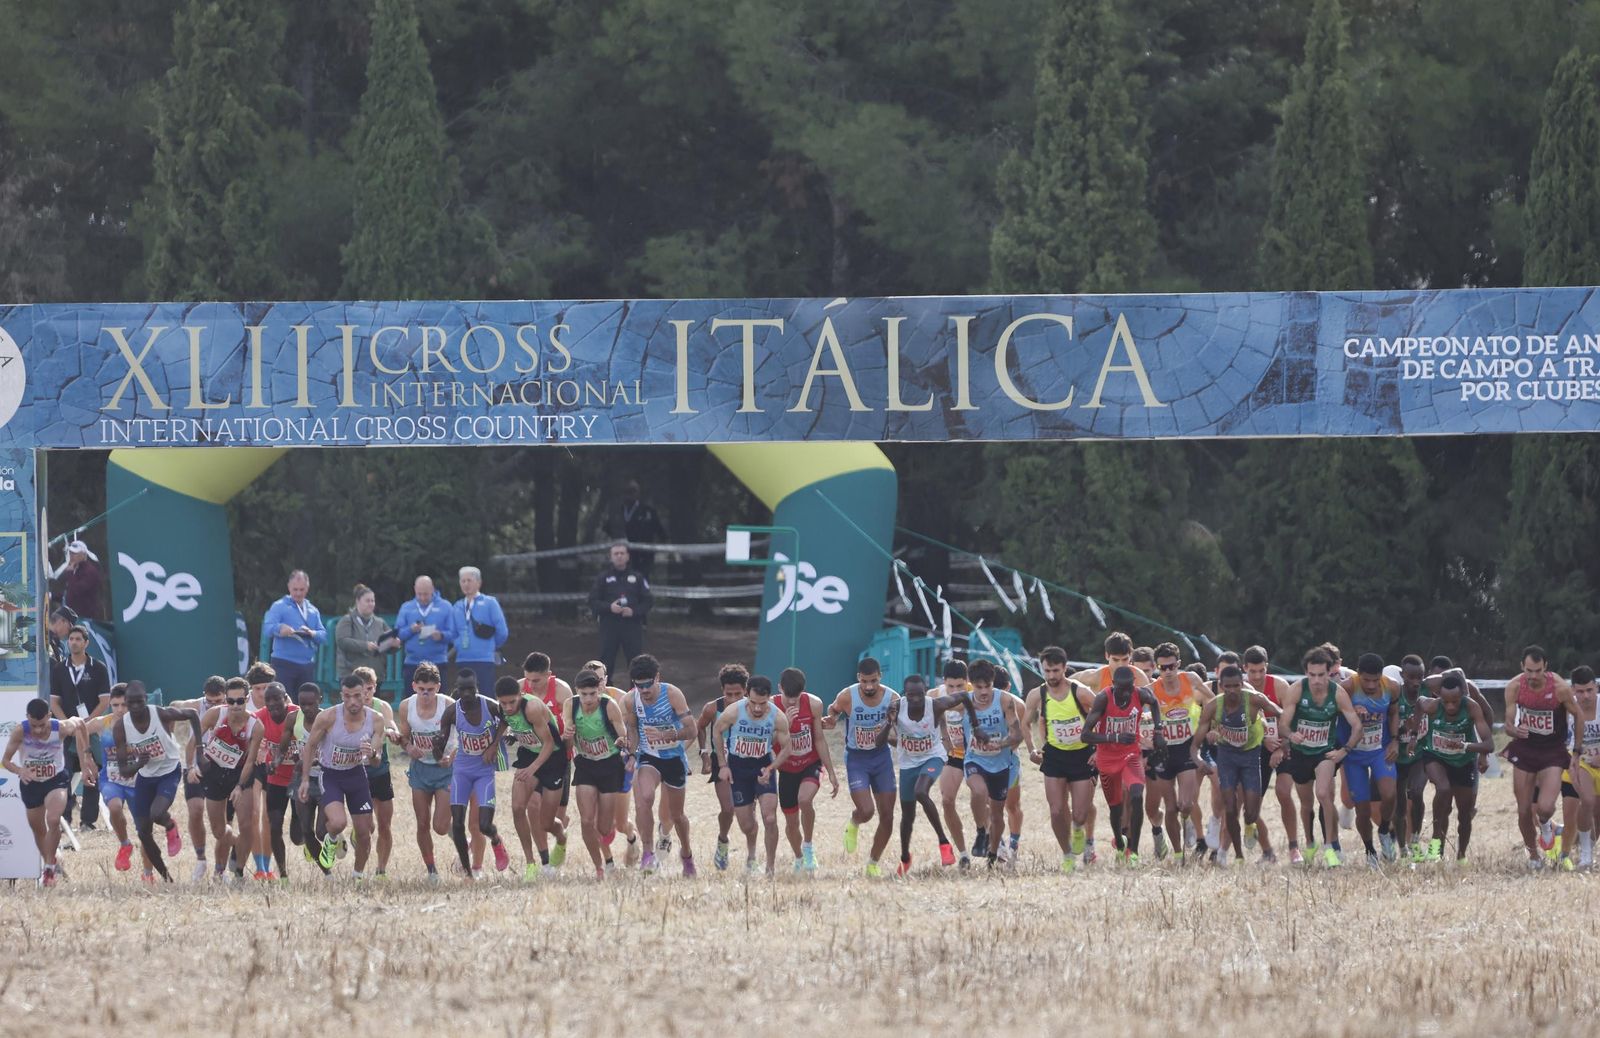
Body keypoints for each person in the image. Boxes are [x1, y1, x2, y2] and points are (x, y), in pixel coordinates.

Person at [1501, 645, 1586, 869]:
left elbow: (1578, 716)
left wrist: (1576, 751)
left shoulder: (1558, 687)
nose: (1533, 676)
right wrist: (1514, 730)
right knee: (1523, 810)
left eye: (1538, 670)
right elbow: (1508, 724)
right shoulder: (1514, 687)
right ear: (1522, 667)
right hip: (1526, 749)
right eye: (1529, 670)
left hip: (1552, 751)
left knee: (1545, 808)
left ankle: (1547, 824)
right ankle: (1533, 857)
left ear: (1545, 667)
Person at [1278, 649, 1363, 866]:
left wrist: (1344, 750)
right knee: (1306, 804)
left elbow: (1357, 726)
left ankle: (1331, 846)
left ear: (1329, 673)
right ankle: (1309, 843)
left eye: (1321, 675)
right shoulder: (1296, 690)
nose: (1316, 680)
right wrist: (1291, 734)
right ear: (1306, 673)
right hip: (1300, 753)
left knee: (1324, 794)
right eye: (1312, 675)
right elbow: (1283, 724)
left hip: (1324, 753)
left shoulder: (1337, 693)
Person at [1193, 665, 1282, 866]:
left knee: (1251, 811)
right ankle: (1237, 854)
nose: (1232, 690)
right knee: (1230, 807)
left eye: (1236, 686)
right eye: (1228, 687)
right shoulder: (1214, 706)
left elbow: (1281, 715)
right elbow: (1195, 744)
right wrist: (1198, 760)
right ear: (1221, 687)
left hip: (1251, 757)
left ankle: (1250, 827)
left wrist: (1283, 743)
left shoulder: (1254, 699)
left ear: (1242, 684)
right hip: (1227, 758)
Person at [110, 681, 199, 883]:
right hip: (146, 776)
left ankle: (169, 825)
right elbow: (124, 771)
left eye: (139, 702)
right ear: (126, 702)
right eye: (130, 703)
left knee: (157, 813)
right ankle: (165, 877)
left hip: (169, 771)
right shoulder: (121, 727)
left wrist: (199, 748)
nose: (135, 707)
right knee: (143, 832)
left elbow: (192, 715)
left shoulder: (160, 713)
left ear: (145, 700)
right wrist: (138, 764)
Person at [299, 674, 385, 878]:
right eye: (347, 696)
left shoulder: (376, 720)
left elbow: (376, 760)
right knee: (338, 823)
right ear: (341, 696)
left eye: (357, 696)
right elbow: (310, 745)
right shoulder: (328, 717)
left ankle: (358, 875)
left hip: (356, 775)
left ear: (366, 694)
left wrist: (371, 752)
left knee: (365, 833)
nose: (352, 702)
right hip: (330, 774)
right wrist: (304, 780)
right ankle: (332, 838)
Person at [2, 698, 93, 885]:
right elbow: (6, 760)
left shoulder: (60, 727)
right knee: (38, 829)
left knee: (53, 819)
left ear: (49, 716)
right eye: (34, 725)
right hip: (31, 783)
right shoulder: (20, 731)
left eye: (42, 725)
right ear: (27, 718)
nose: (38, 730)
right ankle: (50, 861)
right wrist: (20, 770)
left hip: (55, 780)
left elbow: (81, 724)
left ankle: (49, 871)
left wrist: (86, 758)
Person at [1080, 665, 1165, 865]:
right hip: (1107, 760)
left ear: (1133, 685)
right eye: (1121, 689)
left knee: (1136, 796)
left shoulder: (1140, 694)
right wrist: (1114, 736)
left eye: (1129, 688)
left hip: (1130, 755)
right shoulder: (1103, 698)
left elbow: (1154, 703)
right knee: (1116, 809)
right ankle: (1119, 842)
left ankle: (1133, 851)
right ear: (1113, 685)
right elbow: (1085, 735)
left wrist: (1158, 731)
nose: (1125, 693)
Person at [1024, 647, 1099, 873]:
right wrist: (1031, 749)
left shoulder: (1081, 692)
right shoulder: (1037, 694)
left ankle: (1078, 828)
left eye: (1055, 671)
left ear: (1065, 669)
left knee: (1080, 814)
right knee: (1056, 810)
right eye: (1047, 671)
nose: (1051, 676)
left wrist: (1100, 749)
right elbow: (1024, 723)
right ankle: (1067, 854)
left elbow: (1104, 715)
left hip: (1083, 755)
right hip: (1055, 754)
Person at [623, 654, 697, 876]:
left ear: (657, 678)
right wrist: (631, 753)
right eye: (639, 685)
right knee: (644, 798)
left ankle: (687, 855)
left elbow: (691, 730)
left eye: (648, 684)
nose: (644, 690)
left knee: (676, 816)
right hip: (649, 757)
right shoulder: (630, 700)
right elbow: (633, 730)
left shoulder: (672, 694)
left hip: (673, 758)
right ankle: (648, 854)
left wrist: (668, 734)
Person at [825, 656, 899, 876]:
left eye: (873, 681)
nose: (869, 686)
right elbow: (834, 708)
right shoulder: (847, 696)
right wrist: (830, 719)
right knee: (867, 811)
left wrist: (887, 734)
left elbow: (899, 734)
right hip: (857, 759)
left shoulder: (892, 698)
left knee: (888, 816)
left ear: (880, 678)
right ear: (858, 678)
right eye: (865, 681)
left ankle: (873, 863)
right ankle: (854, 821)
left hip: (882, 758)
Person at [713, 674, 792, 876]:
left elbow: (786, 748)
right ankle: (751, 856)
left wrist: (771, 767)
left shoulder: (777, 716)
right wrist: (723, 764)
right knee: (747, 825)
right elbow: (717, 730)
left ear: (769, 699)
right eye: (754, 703)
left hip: (762, 767)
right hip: (739, 769)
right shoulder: (734, 711)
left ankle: (770, 868)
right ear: (747, 696)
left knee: (770, 818)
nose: (758, 708)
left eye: (763, 704)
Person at [433, 672, 510, 878]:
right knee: (457, 823)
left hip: (484, 771)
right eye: (462, 689)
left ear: (477, 687)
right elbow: (440, 747)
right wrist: (437, 749)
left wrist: (494, 746)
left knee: (483, 825)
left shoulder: (490, 706)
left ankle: (496, 840)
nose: (467, 694)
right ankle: (469, 872)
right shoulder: (452, 712)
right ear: (457, 689)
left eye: (471, 689)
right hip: (462, 770)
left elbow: (505, 720)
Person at [1414, 673, 1493, 865]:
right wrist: (1412, 733)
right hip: (1436, 756)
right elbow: (1419, 703)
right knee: (1443, 789)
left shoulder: (1471, 707)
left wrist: (1465, 746)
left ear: (1462, 697)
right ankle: (1435, 841)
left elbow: (1489, 744)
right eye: (1446, 701)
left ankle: (1461, 855)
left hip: (1464, 762)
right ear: (1439, 697)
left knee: (1464, 815)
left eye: (1455, 702)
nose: (1450, 706)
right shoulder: (1432, 706)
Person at [880, 673, 954, 875]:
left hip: (933, 757)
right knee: (907, 816)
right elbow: (881, 741)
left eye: (919, 694)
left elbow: (959, 703)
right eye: (911, 695)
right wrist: (889, 723)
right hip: (908, 764)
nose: (916, 699)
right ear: (905, 694)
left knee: (921, 792)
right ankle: (905, 857)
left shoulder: (935, 705)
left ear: (925, 691)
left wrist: (971, 727)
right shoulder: (896, 707)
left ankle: (944, 843)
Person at [494, 674, 565, 880]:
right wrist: (494, 745)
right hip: (528, 755)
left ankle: (561, 839)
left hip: (552, 759)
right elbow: (503, 723)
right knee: (517, 808)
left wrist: (534, 768)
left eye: (511, 702)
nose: (507, 707)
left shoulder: (532, 708)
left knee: (546, 823)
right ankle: (530, 864)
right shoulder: (502, 708)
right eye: (503, 703)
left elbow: (549, 744)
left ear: (521, 695)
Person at [564, 669, 633, 879]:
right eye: (583, 694)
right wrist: (567, 735)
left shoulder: (609, 706)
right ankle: (600, 867)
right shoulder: (571, 705)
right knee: (586, 821)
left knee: (604, 828)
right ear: (577, 691)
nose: (588, 699)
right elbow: (567, 742)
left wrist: (623, 742)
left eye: (592, 694)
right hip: (585, 765)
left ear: (599, 692)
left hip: (610, 766)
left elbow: (625, 737)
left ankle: (622, 837)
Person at [1336, 653, 1402, 866]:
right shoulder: (1346, 688)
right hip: (1354, 755)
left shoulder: (1391, 687)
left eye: (1376, 680)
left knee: (1389, 794)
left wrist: (1394, 740)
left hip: (1379, 750)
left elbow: (1393, 714)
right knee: (1362, 809)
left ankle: (1384, 830)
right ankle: (1370, 851)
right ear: (1358, 674)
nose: (1372, 685)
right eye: (1367, 680)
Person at [190, 681, 261, 881]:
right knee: (219, 831)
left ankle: (238, 872)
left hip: (240, 774)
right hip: (215, 774)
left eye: (240, 701)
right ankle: (236, 843)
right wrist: (192, 765)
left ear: (247, 699)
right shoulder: (215, 714)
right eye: (231, 701)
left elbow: (250, 762)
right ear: (226, 700)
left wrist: (239, 786)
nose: (236, 705)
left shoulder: (256, 726)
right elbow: (193, 740)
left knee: (247, 824)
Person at [1145, 642, 1208, 863]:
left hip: (1187, 748)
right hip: (1164, 752)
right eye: (1162, 668)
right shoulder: (1152, 690)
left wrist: (1209, 727)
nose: (1168, 672)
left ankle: (1188, 818)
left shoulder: (1190, 679)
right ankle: (1179, 853)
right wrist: (1145, 737)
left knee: (1186, 804)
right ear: (1156, 668)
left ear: (1178, 664)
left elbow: (1211, 700)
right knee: (1170, 807)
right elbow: (1140, 717)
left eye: (1171, 666)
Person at [392, 662, 454, 881]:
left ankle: (455, 834)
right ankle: (431, 870)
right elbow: (404, 737)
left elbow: (461, 738)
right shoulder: (406, 706)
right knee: (422, 822)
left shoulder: (448, 705)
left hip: (444, 769)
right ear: (414, 686)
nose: (426, 694)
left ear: (438, 687)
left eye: (430, 689)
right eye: (421, 689)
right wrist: (409, 747)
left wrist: (450, 757)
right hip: (420, 769)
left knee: (440, 826)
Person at [775, 666, 837, 872]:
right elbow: (768, 744)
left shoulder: (813, 703)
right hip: (786, 769)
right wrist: (786, 723)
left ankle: (809, 846)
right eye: (787, 696)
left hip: (810, 763)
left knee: (805, 800)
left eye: (796, 696)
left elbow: (819, 739)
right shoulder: (771, 708)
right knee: (791, 822)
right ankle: (799, 857)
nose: (792, 701)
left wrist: (832, 771)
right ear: (779, 688)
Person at [49, 622, 110, 830]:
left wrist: (86, 723)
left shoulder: (98, 668)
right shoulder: (59, 669)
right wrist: (68, 724)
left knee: (92, 771)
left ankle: (88, 821)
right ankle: (64, 819)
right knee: (63, 773)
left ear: (86, 643)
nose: (73, 643)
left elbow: (105, 701)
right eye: (71, 639)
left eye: (77, 639)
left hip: (90, 729)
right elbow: (54, 702)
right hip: (67, 731)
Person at [83, 684, 147, 874]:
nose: (120, 710)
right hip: (111, 779)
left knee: (145, 831)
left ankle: (148, 873)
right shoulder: (103, 723)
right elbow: (80, 729)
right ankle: (125, 844)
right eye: (115, 705)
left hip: (138, 782)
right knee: (114, 807)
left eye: (124, 705)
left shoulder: (142, 723)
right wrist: (87, 756)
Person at [171, 676, 228, 880]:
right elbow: (173, 708)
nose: (213, 706)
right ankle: (201, 859)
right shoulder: (195, 706)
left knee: (222, 823)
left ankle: (221, 868)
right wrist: (189, 768)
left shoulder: (234, 707)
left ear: (225, 697)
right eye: (209, 701)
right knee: (195, 811)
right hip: (196, 763)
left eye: (218, 701)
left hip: (221, 767)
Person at [697, 663, 749, 871]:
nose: (734, 699)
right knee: (728, 809)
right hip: (722, 762)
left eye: (738, 694)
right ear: (722, 691)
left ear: (746, 690)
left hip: (748, 763)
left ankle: (751, 855)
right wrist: (703, 754)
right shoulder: (712, 708)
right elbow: (699, 727)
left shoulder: (755, 707)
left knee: (748, 814)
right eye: (729, 694)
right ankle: (723, 841)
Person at [246, 682, 299, 881]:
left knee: (298, 835)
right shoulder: (259, 717)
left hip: (297, 778)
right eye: (268, 700)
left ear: (286, 698)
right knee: (274, 825)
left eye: (277, 699)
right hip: (275, 779)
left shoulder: (298, 715)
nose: (273, 704)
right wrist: (256, 749)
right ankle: (283, 874)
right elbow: (246, 734)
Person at [353, 665, 400, 877]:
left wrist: (391, 732)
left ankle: (381, 870)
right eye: (361, 690)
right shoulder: (348, 709)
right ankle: (358, 835)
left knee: (385, 824)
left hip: (381, 771)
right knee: (367, 827)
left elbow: (391, 725)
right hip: (357, 772)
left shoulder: (383, 706)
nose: (366, 694)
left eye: (370, 689)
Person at [279, 682, 330, 874]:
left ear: (320, 701)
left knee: (321, 831)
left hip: (326, 777)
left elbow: (333, 752)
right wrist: (275, 762)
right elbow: (283, 747)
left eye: (311, 704)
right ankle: (327, 872)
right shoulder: (293, 718)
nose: (307, 708)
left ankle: (335, 837)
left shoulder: (329, 719)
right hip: (302, 779)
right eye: (303, 704)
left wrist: (312, 761)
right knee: (303, 832)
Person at [1556, 667, 1600, 870]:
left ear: (1596, 687)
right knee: (1588, 801)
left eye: (1590, 690)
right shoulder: (1566, 709)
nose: (1586, 696)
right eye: (1580, 692)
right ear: (1573, 690)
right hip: (1579, 761)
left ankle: (1587, 846)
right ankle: (1585, 855)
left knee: (1598, 815)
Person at [589, 542, 652, 681]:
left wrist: (634, 611)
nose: (619, 556)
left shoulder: (638, 578)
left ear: (628, 556)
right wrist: (609, 607)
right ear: (611, 557)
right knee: (606, 661)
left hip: (632, 626)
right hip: (609, 625)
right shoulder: (603, 578)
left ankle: (636, 694)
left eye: (622, 553)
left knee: (636, 662)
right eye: (616, 554)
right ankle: (606, 694)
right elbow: (593, 601)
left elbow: (648, 601)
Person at [935, 659, 975, 868]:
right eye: (951, 686)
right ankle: (963, 854)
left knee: (982, 799)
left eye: (960, 686)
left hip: (976, 755)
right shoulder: (937, 694)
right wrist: (943, 735)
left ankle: (991, 840)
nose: (955, 690)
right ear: (944, 683)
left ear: (967, 682)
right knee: (947, 801)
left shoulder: (977, 694)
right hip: (953, 756)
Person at [262, 570, 327, 697]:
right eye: (295, 589)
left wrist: (312, 633)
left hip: (306, 665)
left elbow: (324, 636)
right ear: (288, 587)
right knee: (282, 702)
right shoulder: (279, 606)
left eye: (301, 590)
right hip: (283, 663)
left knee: (306, 704)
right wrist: (280, 628)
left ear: (307, 588)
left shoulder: (313, 610)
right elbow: (267, 628)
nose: (298, 593)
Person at [1391, 655, 1431, 862]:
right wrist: (1398, 733)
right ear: (1402, 676)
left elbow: (1457, 676)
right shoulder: (1395, 694)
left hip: (1420, 753)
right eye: (1411, 677)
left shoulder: (1429, 689)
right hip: (1398, 756)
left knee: (1415, 792)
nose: (1416, 682)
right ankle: (1403, 848)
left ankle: (1415, 840)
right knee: (1398, 805)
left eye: (1420, 677)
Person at [397, 576, 458, 695]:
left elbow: (453, 634)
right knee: (412, 702)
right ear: (414, 589)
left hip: (438, 662)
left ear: (433, 590)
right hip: (412, 663)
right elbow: (398, 634)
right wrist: (411, 629)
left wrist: (441, 635)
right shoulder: (406, 607)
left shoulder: (445, 607)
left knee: (439, 702)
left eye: (426, 594)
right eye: (419, 594)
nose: (422, 598)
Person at [454, 566, 509, 694]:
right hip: (462, 659)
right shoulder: (457, 606)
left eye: (469, 580)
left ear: (479, 582)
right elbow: (453, 632)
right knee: (464, 698)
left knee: (485, 696)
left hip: (484, 659)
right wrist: (458, 644)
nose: (466, 584)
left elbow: (502, 631)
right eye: (463, 581)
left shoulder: (490, 603)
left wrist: (490, 646)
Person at [605, 479, 667, 576]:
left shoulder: (648, 512)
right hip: (623, 556)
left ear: (638, 493)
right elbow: (608, 529)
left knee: (641, 582)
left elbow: (660, 532)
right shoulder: (618, 512)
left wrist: (654, 549)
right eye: (627, 492)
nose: (629, 495)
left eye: (633, 491)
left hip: (643, 557)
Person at [335, 584, 390, 691]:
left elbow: (389, 642)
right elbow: (342, 641)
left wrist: (395, 644)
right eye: (367, 601)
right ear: (358, 601)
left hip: (374, 676)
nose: (371, 604)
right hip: (350, 675)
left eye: (372, 601)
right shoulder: (347, 620)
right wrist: (366, 646)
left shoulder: (380, 622)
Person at [56, 539, 105, 620]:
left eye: (75, 553)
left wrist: (70, 574)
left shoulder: (90, 571)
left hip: (86, 618)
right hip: (73, 616)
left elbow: (76, 590)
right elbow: (68, 593)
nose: (72, 556)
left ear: (84, 555)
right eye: (71, 553)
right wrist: (52, 596)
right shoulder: (75, 569)